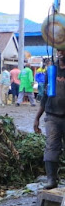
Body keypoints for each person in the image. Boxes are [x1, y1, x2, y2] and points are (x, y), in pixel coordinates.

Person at [34, 49, 65, 189]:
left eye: (64, 49)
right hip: (52, 116)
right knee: (51, 147)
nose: (61, 52)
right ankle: (51, 180)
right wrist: (37, 118)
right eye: (59, 50)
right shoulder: (51, 71)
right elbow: (45, 96)